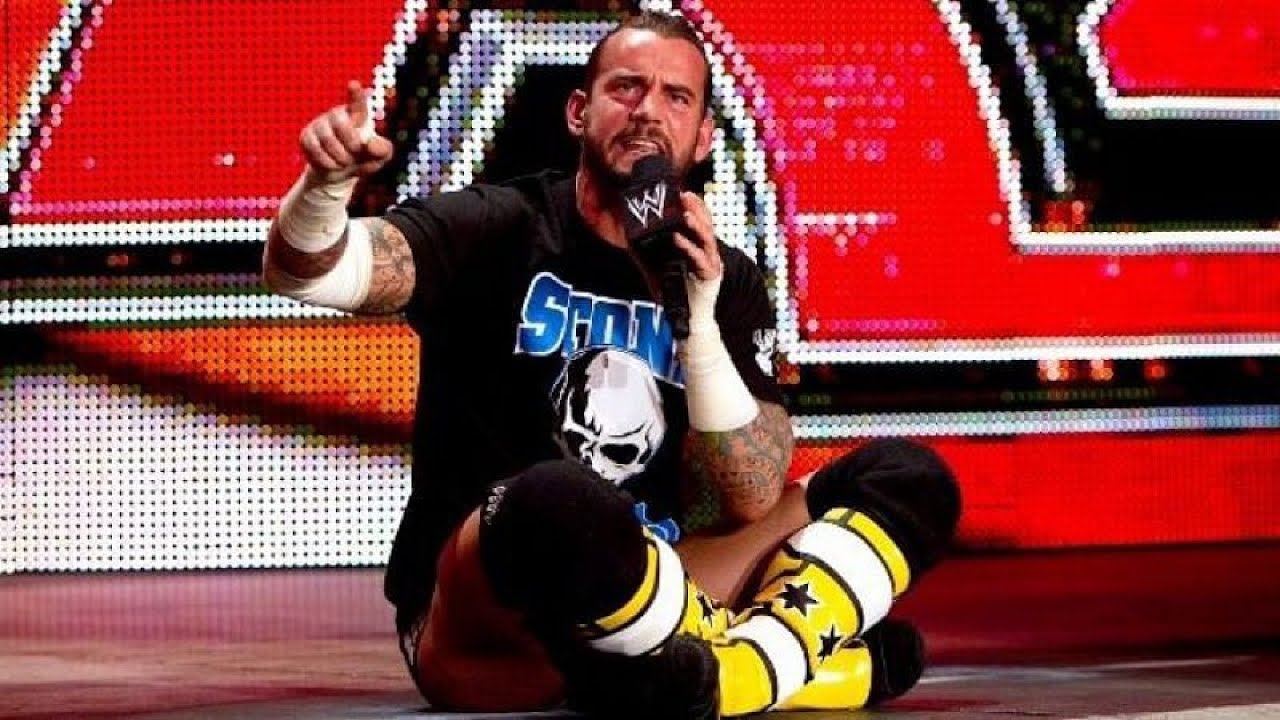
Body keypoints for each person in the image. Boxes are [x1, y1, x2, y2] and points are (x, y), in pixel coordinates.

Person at [262, 10, 960, 718]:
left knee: (906, 477)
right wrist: (323, 190)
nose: (648, 110)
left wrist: (697, 323)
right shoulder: (498, 225)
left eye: (676, 96)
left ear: (703, 136)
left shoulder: (724, 279)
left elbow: (750, 495)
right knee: (556, 496)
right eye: (627, 87)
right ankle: (776, 659)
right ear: (579, 112)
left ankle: (726, 678)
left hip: (658, 577)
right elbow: (313, 272)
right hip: (493, 614)